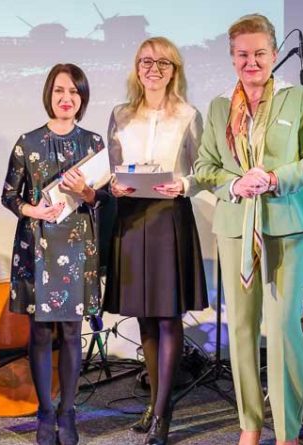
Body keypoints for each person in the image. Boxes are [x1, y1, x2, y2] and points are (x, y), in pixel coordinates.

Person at [193, 14, 303, 445]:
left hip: (287, 226)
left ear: (274, 55)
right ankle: (250, 426)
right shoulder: (219, 106)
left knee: (284, 327)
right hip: (236, 226)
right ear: (232, 57)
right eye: (242, 54)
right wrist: (234, 184)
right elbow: (205, 167)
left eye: (259, 53)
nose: (250, 62)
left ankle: (288, 431)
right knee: (241, 330)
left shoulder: (297, 98)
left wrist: (275, 178)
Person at [103, 36, 208, 445]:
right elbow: (112, 169)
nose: (153, 69)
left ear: (174, 70)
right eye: (146, 61)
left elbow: (204, 170)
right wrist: (113, 186)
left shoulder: (188, 114)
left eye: (163, 63)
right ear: (137, 68)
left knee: (167, 316)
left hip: (168, 218)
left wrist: (184, 184)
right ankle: (153, 403)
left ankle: (164, 413)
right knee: (144, 316)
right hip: (131, 218)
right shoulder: (120, 114)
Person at [1, 63, 107, 445]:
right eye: (60, 90)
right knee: (41, 331)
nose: (66, 98)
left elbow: (101, 198)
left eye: (74, 92)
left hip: (78, 246)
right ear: (49, 93)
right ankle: (45, 412)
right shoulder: (27, 143)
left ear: (82, 98)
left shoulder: (94, 144)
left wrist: (86, 193)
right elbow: (8, 195)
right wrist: (33, 210)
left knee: (73, 331)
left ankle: (68, 412)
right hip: (38, 245)